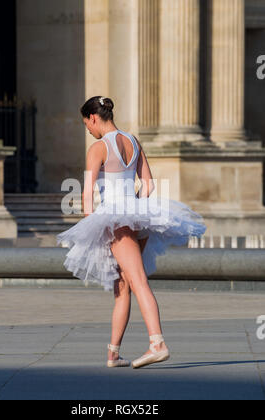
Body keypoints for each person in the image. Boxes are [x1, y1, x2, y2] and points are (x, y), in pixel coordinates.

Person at [56, 96, 207, 369]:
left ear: (93, 117)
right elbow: (147, 186)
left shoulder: (98, 147)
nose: (88, 130)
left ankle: (157, 343)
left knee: (137, 282)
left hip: (115, 220)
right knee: (122, 286)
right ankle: (113, 354)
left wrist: (94, 227)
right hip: (139, 217)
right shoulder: (133, 141)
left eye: (86, 124)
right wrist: (133, 206)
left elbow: (88, 193)